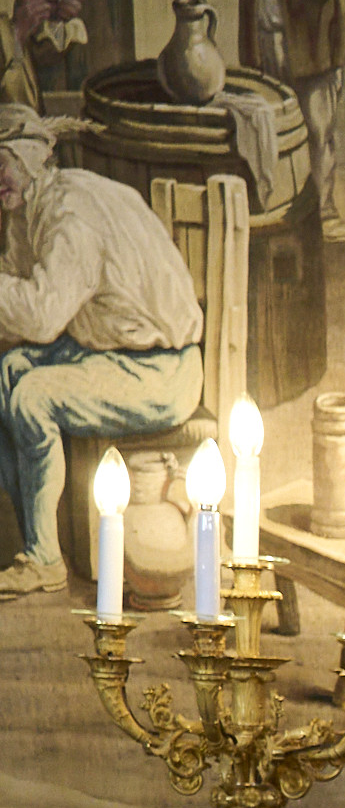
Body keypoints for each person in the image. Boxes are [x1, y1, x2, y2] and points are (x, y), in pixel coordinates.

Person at [0, 104, 199, 594]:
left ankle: (45, 558)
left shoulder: (72, 214)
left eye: (0, 164)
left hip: (160, 371)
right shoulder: (30, 207)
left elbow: (42, 316)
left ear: (29, 159)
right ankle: (32, 537)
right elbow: (23, 297)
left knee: (32, 398)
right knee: (8, 369)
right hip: (113, 351)